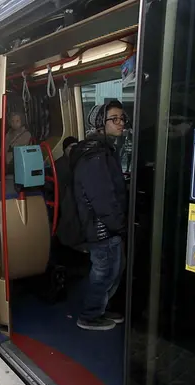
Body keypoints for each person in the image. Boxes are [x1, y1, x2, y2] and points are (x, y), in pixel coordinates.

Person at [68, 101, 128, 331]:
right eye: (114, 119)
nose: (120, 123)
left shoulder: (102, 150)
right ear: (100, 123)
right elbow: (100, 196)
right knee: (104, 272)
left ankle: (101, 307)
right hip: (101, 226)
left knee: (114, 269)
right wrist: (117, 224)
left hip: (105, 224)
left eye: (122, 118)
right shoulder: (95, 155)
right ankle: (90, 315)